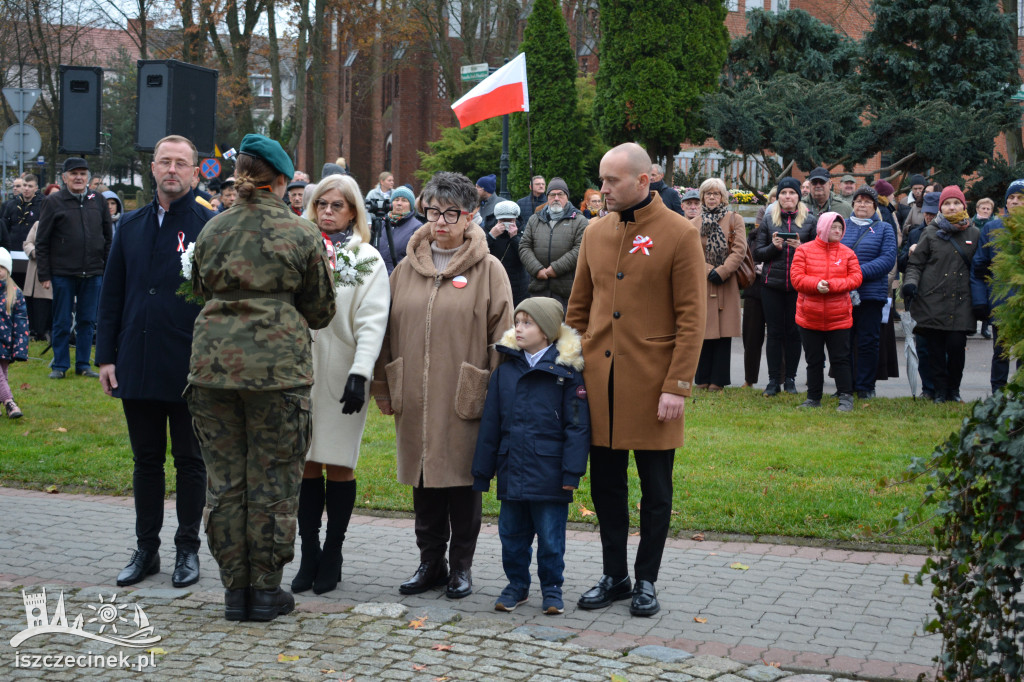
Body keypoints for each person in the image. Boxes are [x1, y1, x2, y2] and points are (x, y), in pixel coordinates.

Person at [184, 134, 337, 622]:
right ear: (281, 181)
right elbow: (320, 310)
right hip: (277, 376)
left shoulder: (212, 229)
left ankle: (235, 591)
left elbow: (199, 287)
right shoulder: (300, 233)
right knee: (273, 481)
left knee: (225, 482)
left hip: (211, 373)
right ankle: (267, 591)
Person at [567, 142, 706, 618]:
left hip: (653, 386)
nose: (602, 189)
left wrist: (677, 385)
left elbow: (692, 318)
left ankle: (647, 579)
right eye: (601, 180)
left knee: (656, 491)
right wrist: (571, 368)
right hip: (599, 384)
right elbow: (578, 310)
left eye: (612, 181)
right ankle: (615, 575)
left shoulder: (679, 233)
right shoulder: (595, 232)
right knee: (606, 489)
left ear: (644, 180)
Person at [372, 171, 513, 601]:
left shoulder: (489, 270)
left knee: (461, 483)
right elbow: (386, 331)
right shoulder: (405, 270)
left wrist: (495, 393)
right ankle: (429, 562)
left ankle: (461, 567)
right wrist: (384, 384)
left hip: (465, 392)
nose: (441, 221)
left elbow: (504, 335)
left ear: (471, 216)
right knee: (422, 480)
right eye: (433, 211)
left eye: (452, 213)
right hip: (414, 390)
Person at [95, 135, 215, 589]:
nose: (172, 170)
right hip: (137, 359)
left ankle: (187, 549)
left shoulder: (209, 225)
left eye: (181, 163)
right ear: (152, 168)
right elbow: (112, 296)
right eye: (164, 162)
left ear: (196, 170)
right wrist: (106, 357)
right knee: (146, 461)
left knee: (189, 460)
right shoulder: (129, 224)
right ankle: (146, 549)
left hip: (189, 363)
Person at [293, 174, 389, 595]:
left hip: (344, 372)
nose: (327, 212)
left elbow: (373, 321)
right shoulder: (297, 249)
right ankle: (309, 551)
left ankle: (334, 550)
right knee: (307, 462)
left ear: (353, 211)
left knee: (339, 462)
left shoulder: (366, 257)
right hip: (298, 371)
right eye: (321, 205)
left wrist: (361, 371)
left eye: (337, 205)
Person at [472, 297, 590, 616]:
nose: (518, 328)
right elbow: (491, 426)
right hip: (512, 468)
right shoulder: (505, 373)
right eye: (517, 322)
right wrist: (483, 472)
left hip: (550, 471)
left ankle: (552, 589)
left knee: (551, 538)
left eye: (527, 323)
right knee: (511, 535)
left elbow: (577, 425)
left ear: (548, 331)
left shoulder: (567, 373)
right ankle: (516, 586)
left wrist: (571, 473)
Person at [36, 157, 112, 380]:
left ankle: (83, 364)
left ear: (88, 177)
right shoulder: (53, 202)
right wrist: (44, 274)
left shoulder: (97, 200)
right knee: (61, 320)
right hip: (62, 273)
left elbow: (108, 237)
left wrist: (105, 269)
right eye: (74, 173)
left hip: (93, 272)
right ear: (64, 177)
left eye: (82, 173)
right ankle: (59, 365)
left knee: (88, 321)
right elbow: (42, 241)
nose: (78, 177)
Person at [902, 185, 979, 404]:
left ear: (963, 206)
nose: (951, 207)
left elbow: (980, 267)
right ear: (940, 208)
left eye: (956, 203)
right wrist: (910, 284)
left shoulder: (974, 233)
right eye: (947, 203)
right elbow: (915, 264)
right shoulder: (931, 232)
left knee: (956, 347)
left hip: (961, 301)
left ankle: (953, 390)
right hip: (932, 299)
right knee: (935, 350)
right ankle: (939, 391)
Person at [790, 213, 862, 412]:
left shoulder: (847, 253)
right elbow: (796, 278)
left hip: (838, 317)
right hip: (809, 316)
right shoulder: (803, 251)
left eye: (840, 228)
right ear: (823, 228)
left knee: (840, 358)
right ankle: (813, 398)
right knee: (814, 360)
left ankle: (846, 397)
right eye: (833, 227)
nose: (838, 231)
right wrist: (815, 284)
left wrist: (832, 285)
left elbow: (856, 278)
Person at [753, 176, 816, 396]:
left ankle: (790, 379)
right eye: (783, 193)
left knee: (794, 333)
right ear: (778, 197)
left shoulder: (810, 220)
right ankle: (773, 381)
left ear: (799, 196)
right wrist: (774, 247)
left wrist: (802, 247)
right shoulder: (770, 219)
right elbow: (757, 253)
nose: (787, 197)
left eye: (792, 193)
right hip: (772, 284)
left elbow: (818, 254)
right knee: (775, 333)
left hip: (799, 286)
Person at [841, 186, 897, 399]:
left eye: (867, 201)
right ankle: (846, 386)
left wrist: (856, 273)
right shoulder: (842, 226)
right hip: (843, 293)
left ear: (875, 206)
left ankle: (865, 386)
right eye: (858, 201)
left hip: (871, 295)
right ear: (852, 204)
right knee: (844, 342)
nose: (862, 204)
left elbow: (887, 260)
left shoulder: (884, 229)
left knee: (868, 342)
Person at [971, 180, 1023, 393]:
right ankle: (998, 394)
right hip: (1001, 301)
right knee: (1000, 351)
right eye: (1011, 197)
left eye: (1020, 198)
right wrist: (981, 300)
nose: (1015, 201)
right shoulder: (993, 227)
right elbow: (979, 267)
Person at [694, 178, 746, 391]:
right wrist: (708, 270)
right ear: (702, 197)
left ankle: (718, 380)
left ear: (723, 196)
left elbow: (740, 250)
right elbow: (690, 252)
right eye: (708, 194)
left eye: (716, 193)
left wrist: (723, 271)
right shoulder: (694, 223)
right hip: (703, 283)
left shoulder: (735, 219)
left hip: (726, 282)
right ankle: (702, 378)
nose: (712, 197)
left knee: (723, 333)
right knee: (703, 332)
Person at [519, 177, 587, 310]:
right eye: (552, 195)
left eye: (560, 194)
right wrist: (537, 269)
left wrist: (555, 269)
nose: (556, 198)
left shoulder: (579, 220)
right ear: (547, 197)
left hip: (565, 292)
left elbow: (580, 249)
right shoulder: (535, 219)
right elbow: (524, 246)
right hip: (538, 288)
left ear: (566, 197)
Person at [0, 247, 28, 418]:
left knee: (2, 375)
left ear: (8, 270)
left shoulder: (14, 293)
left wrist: (20, 348)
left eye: (1, 267)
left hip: (5, 343)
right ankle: (10, 402)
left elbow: (21, 323)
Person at [487, 200, 529, 306]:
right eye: (503, 220)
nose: (506, 223)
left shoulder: (523, 229)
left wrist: (514, 238)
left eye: (509, 220)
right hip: (494, 281)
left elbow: (525, 256)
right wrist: (491, 236)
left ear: (515, 219)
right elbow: (479, 252)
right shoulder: (488, 227)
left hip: (517, 284)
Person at [378, 185, 423, 274]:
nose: (399, 203)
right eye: (396, 199)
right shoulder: (381, 223)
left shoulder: (417, 228)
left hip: (400, 279)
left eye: (404, 200)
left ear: (410, 205)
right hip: (378, 278)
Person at [21, 222, 51, 341]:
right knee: (32, 304)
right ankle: (32, 331)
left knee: (46, 304)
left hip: (51, 271)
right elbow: (27, 243)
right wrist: (35, 252)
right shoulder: (38, 224)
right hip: (34, 270)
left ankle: (43, 332)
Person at [1, 173, 42, 257]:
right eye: (24, 185)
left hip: (33, 251)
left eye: (30, 186)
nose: (26, 188)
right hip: (12, 250)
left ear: (36, 188)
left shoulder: (43, 205)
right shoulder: (11, 204)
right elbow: (4, 227)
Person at [897, 174, 928, 239]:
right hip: (907, 237)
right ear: (911, 189)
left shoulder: (928, 202)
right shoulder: (904, 202)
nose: (917, 191)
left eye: (920, 188)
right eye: (915, 189)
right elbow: (899, 222)